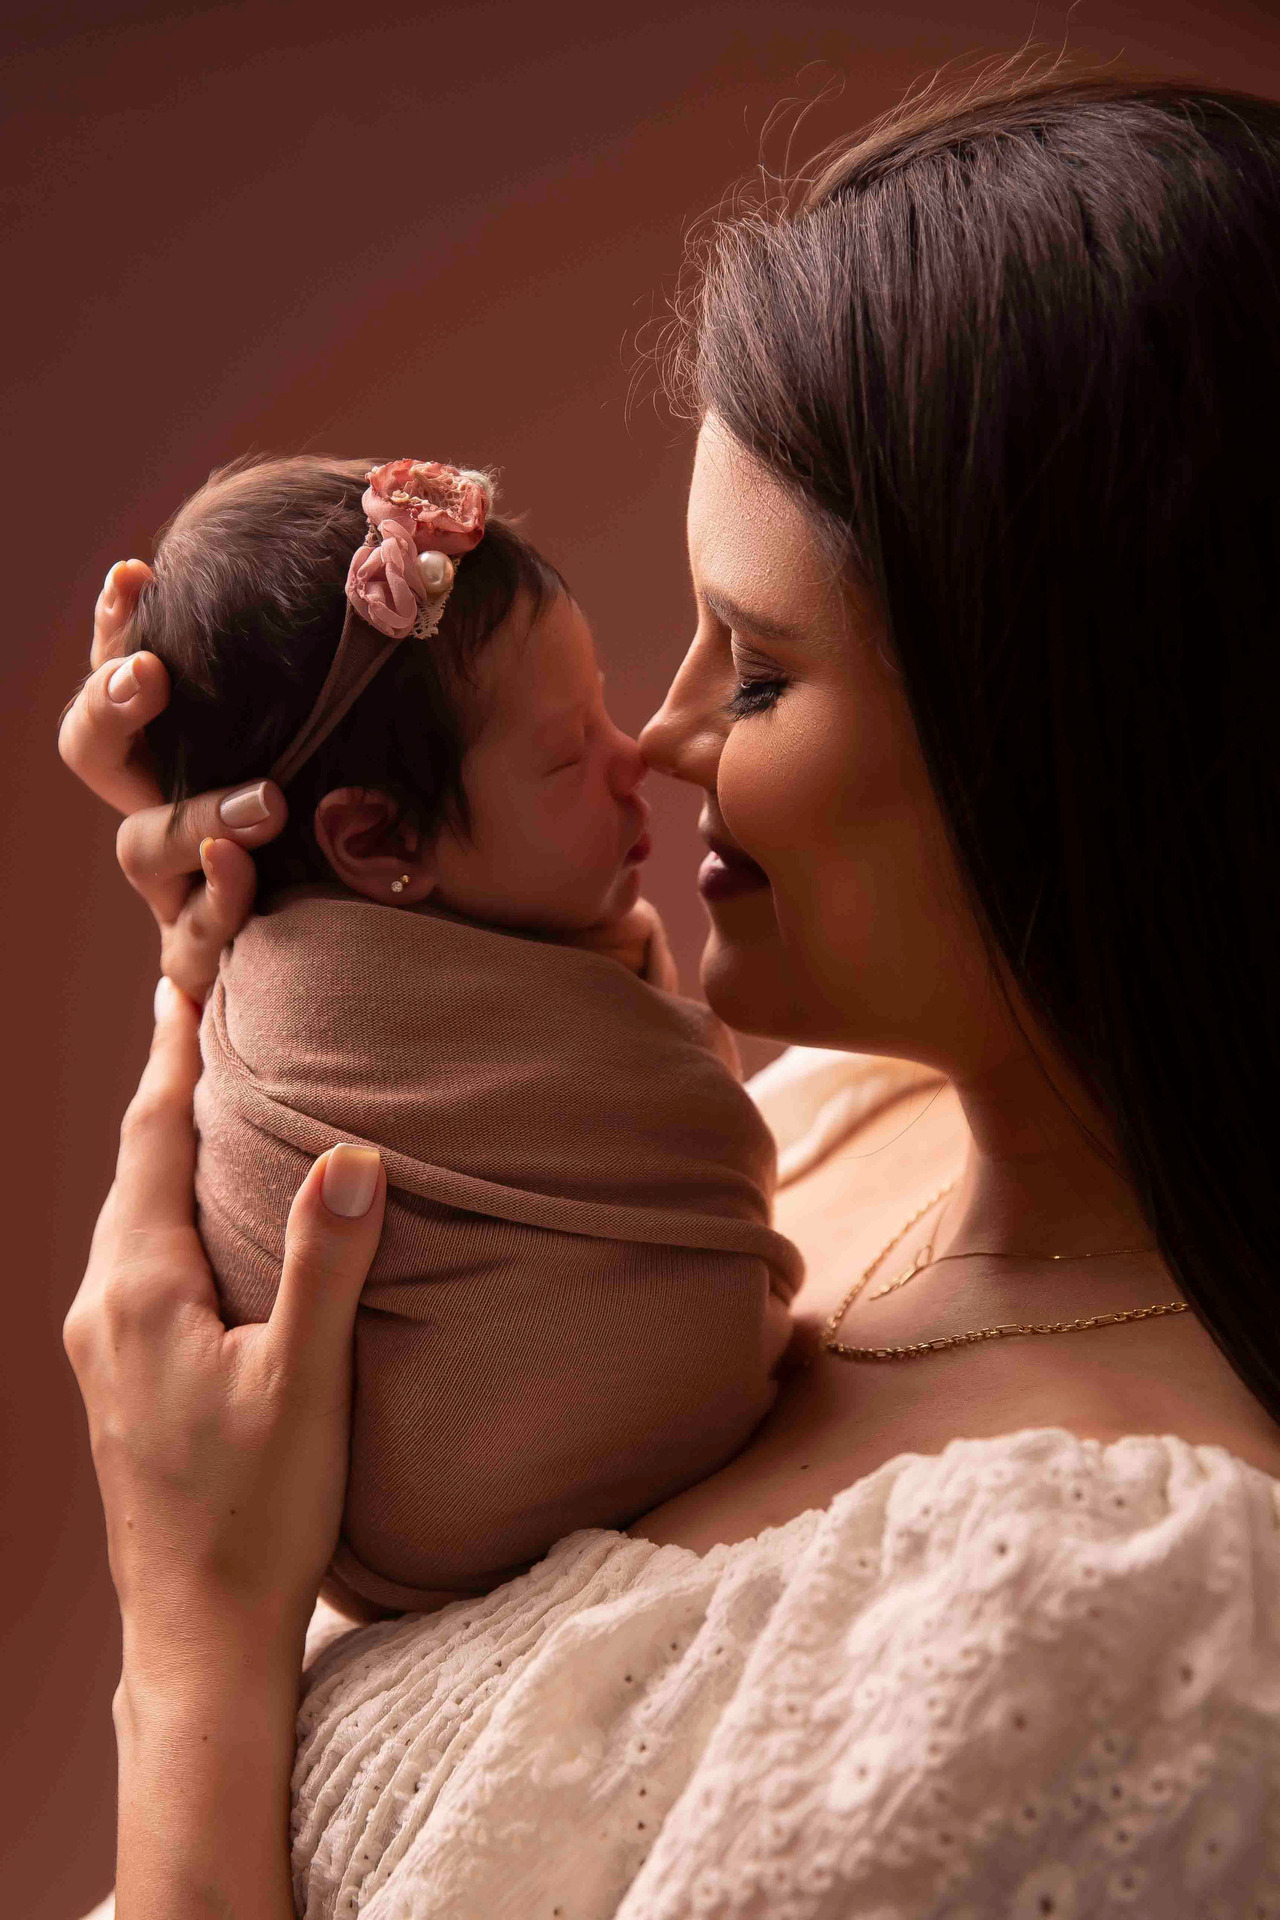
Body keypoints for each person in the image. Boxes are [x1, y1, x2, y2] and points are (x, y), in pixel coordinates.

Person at [61, 68, 1280, 1918]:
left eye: (766, 673)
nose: (665, 733)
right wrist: (309, 950)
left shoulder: (1099, 1615)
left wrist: (196, 1655)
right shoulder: (809, 1130)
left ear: (1075, 742)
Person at [106, 449, 796, 1617]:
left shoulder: (476, 946)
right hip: (449, 1496)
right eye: (568, 752)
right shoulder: (306, 1009)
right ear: (376, 845)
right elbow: (683, 1122)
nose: (637, 760)